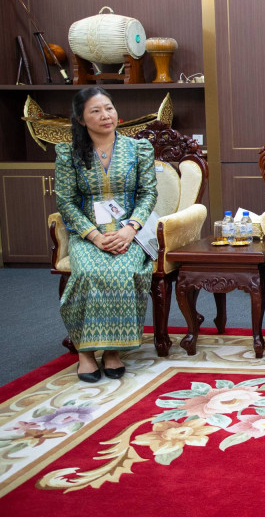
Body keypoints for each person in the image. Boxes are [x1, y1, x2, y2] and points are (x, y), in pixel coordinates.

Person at [55, 87, 157, 383]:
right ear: (80, 118)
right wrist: (94, 236)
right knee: (88, 273)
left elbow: (148, 193)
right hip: (88, 233)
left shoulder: (138, 148)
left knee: (123, 273)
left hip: (129, 231)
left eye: (109, 108)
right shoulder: (68, 153)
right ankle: (85, 352)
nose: (105, 115)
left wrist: (130, 228)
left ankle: (113, 350)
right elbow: (65, 201)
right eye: (96, 111)